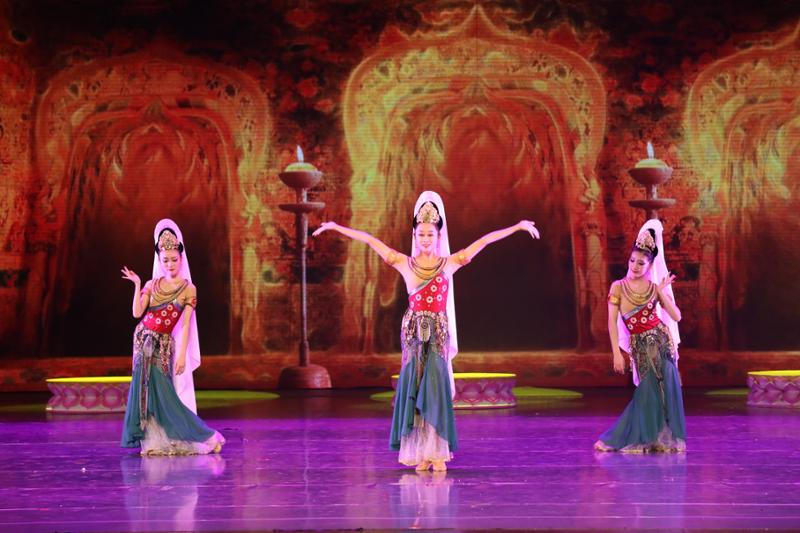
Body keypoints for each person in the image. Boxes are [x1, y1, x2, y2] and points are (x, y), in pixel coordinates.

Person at [313, 191, 539, 471]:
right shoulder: (403, 263)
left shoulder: (449, 264)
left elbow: (483, 241)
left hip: (438, 336)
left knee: (435, 388)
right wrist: (336, 227)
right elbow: (370, 240)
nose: (426, 239)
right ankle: (421, 452)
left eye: (430, 234)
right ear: (415, 235)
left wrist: (517, 227)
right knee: (415, 388)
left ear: (439, 236)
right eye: (421, 234)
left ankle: (437, 452)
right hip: (413, 336)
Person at [120, 219, 224, 455]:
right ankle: (156, 441)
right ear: (159, 260)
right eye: (165, 260)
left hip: (163, 345)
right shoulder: (152, 284)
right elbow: (137, 313)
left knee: (165, 395)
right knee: (145, 392)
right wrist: (137, 284)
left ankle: (205, 436)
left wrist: (182, 356)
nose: (170, 264)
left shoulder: (188, 288)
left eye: (174, 259)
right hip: (142, 342)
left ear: (181, 258)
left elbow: (186, 324)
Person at [595, 219, 686, 453]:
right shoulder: (618, 286)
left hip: (662, 342)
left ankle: (659, 438)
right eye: (632, 261)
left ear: (650, 265)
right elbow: (612, 323)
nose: (635, 266)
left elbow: (676, 316)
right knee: (648, 391)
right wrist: (617, 353)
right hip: (641, 346)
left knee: (666, 389)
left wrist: (663, 292)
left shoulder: (654, 287)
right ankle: (636, 438)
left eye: (641, 263)